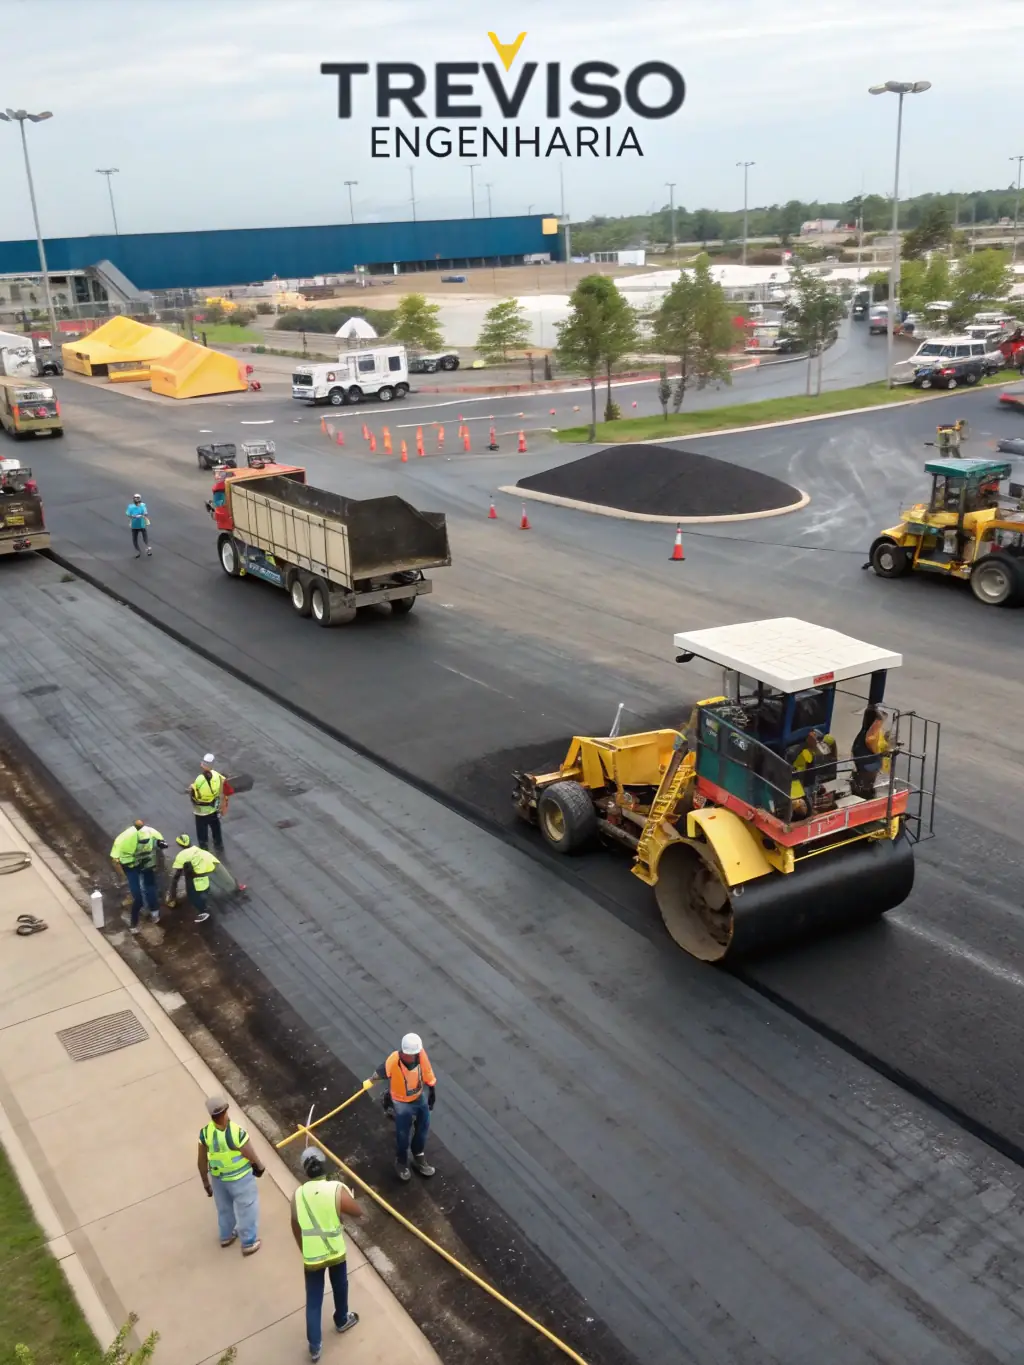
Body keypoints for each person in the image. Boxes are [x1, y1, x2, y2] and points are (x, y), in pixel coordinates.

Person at [291, 1146, 362, 1361]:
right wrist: (348, 1197)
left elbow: (295, 1225)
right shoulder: (336, 1188)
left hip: (312, 1255)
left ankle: (315, 1347)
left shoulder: (298, 1195)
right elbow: (357, 1211)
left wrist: (304, 1248)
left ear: (305, 1172)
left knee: (313, 1299)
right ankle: (342, 1319)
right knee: (340, 1286)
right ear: (324, 1166)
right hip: (335, 1251)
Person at [364, 1032, 437, 1182]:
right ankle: (401, 1162)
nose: (411, 1057)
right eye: (408, 1054)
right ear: (402, 1052)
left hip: (418, 1097)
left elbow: (427, 1071)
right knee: (403, 1135)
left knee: (423, 1127)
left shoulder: (420, 1054)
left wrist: (432, 1090)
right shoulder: (394, 1060)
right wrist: (370, 1082)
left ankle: (419, 1156)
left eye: (414, 1054)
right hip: (401, 1102)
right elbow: (380, 1072)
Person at [197, 1095, 264, 1256]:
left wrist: (206, 1183)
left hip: (218, 1179)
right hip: (240, 1178)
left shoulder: (205, 1133)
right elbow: (250, 1153)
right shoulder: (236, 1132)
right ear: (226, 1111)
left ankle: (226, 1236)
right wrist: (259, 1167)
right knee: (247, 1207)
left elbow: (201, 1161)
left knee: (224, 1208)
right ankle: (248, 1242)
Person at [109, 819, 167, 933]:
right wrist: (123, 876)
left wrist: (158, 862)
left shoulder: (151, 832)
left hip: (146, 861)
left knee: (150, 887)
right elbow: (115, 861)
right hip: (130, 866)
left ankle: (154, 913)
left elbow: (160, 844)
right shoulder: (122, 839)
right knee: (138, 898)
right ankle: (134, 924)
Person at [167, 834, 221, 924]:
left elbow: (177, 873)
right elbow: (215, 863)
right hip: (207, 876)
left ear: (180, 845)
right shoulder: (199, 850)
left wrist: (173, 892)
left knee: (193, 897)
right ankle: (207, 904)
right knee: (204, 893)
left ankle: (204, 912)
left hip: (196, 879)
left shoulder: (181, 855)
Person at [189, 754, 233, 853]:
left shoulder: (199, 779)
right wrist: (224, 805)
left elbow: (194, 793)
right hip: (213, 807)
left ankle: (204, 848)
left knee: (201, 829)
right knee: (215, 825)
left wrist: (191, 787)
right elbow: (228, 791)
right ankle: (218, 844)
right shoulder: (218, 776)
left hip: (201, 810)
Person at [851, 705, 891, 798]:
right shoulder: (870, 737)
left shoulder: (865, 734)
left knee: (866, 785)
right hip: (867, 767)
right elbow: (873, 744)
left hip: (865, 766)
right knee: (866, 789)